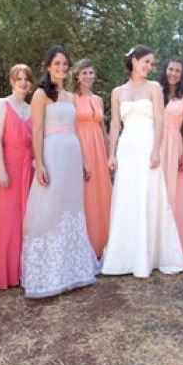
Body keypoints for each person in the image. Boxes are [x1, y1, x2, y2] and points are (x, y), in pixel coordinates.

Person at [101, 45, 183, 277]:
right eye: (146, 62)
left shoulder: (154, 88)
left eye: (151, 63)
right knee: (127, 196)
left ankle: (149, 255)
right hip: (127, 147)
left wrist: (156, 150)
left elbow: (160, 119)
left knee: (149, 196)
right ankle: (124, 256)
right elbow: (114, 124)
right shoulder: (117, 92)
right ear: (134, 61)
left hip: (147, 145)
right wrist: (111, 153)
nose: (150, 67)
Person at [22, 46, 99, 298]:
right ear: (47, 66)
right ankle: (47, 273)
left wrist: (85, 162)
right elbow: (35, 131)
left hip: (72, 156)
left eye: (65, 64)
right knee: (50, 208)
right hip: (52, 155)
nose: (62, 68)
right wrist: (40, 163)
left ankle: (72, 271)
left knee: (71, 208)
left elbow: (75, 130)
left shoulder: (69, 96)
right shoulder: (41, 95)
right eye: (57, 63)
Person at [0, 64, 34, 289]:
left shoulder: (31, 107)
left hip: (30, 168)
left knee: (27, 218)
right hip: (10, 167)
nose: (23, 83)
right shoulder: (2, 104)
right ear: (11, 81)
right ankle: (6, 273)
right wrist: (1, 170)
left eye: (26, 79)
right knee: (8, 221)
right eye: (18, 79)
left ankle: (25, 270)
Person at [70, 58, 112, 257]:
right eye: (84, 73)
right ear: (77, 75)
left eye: (91, 73)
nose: (88, 76)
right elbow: (71, 127)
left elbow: (102, 129)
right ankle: (85, 245)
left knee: (101, 193)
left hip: (99, 150)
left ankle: (103, 243)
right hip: (81, 148)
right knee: (85, 195)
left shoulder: (98, 99)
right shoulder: (70, 98)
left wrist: (109, 153)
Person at [159, 56, 183, 252]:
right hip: (155, 143)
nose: (173, 73)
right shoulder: (154, 91)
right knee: (156, 189)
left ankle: (172, 244)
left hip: (174, 144)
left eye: (178, 70)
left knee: (172, 190)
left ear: (182, 74)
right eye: (171, 69)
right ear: (165, 70)